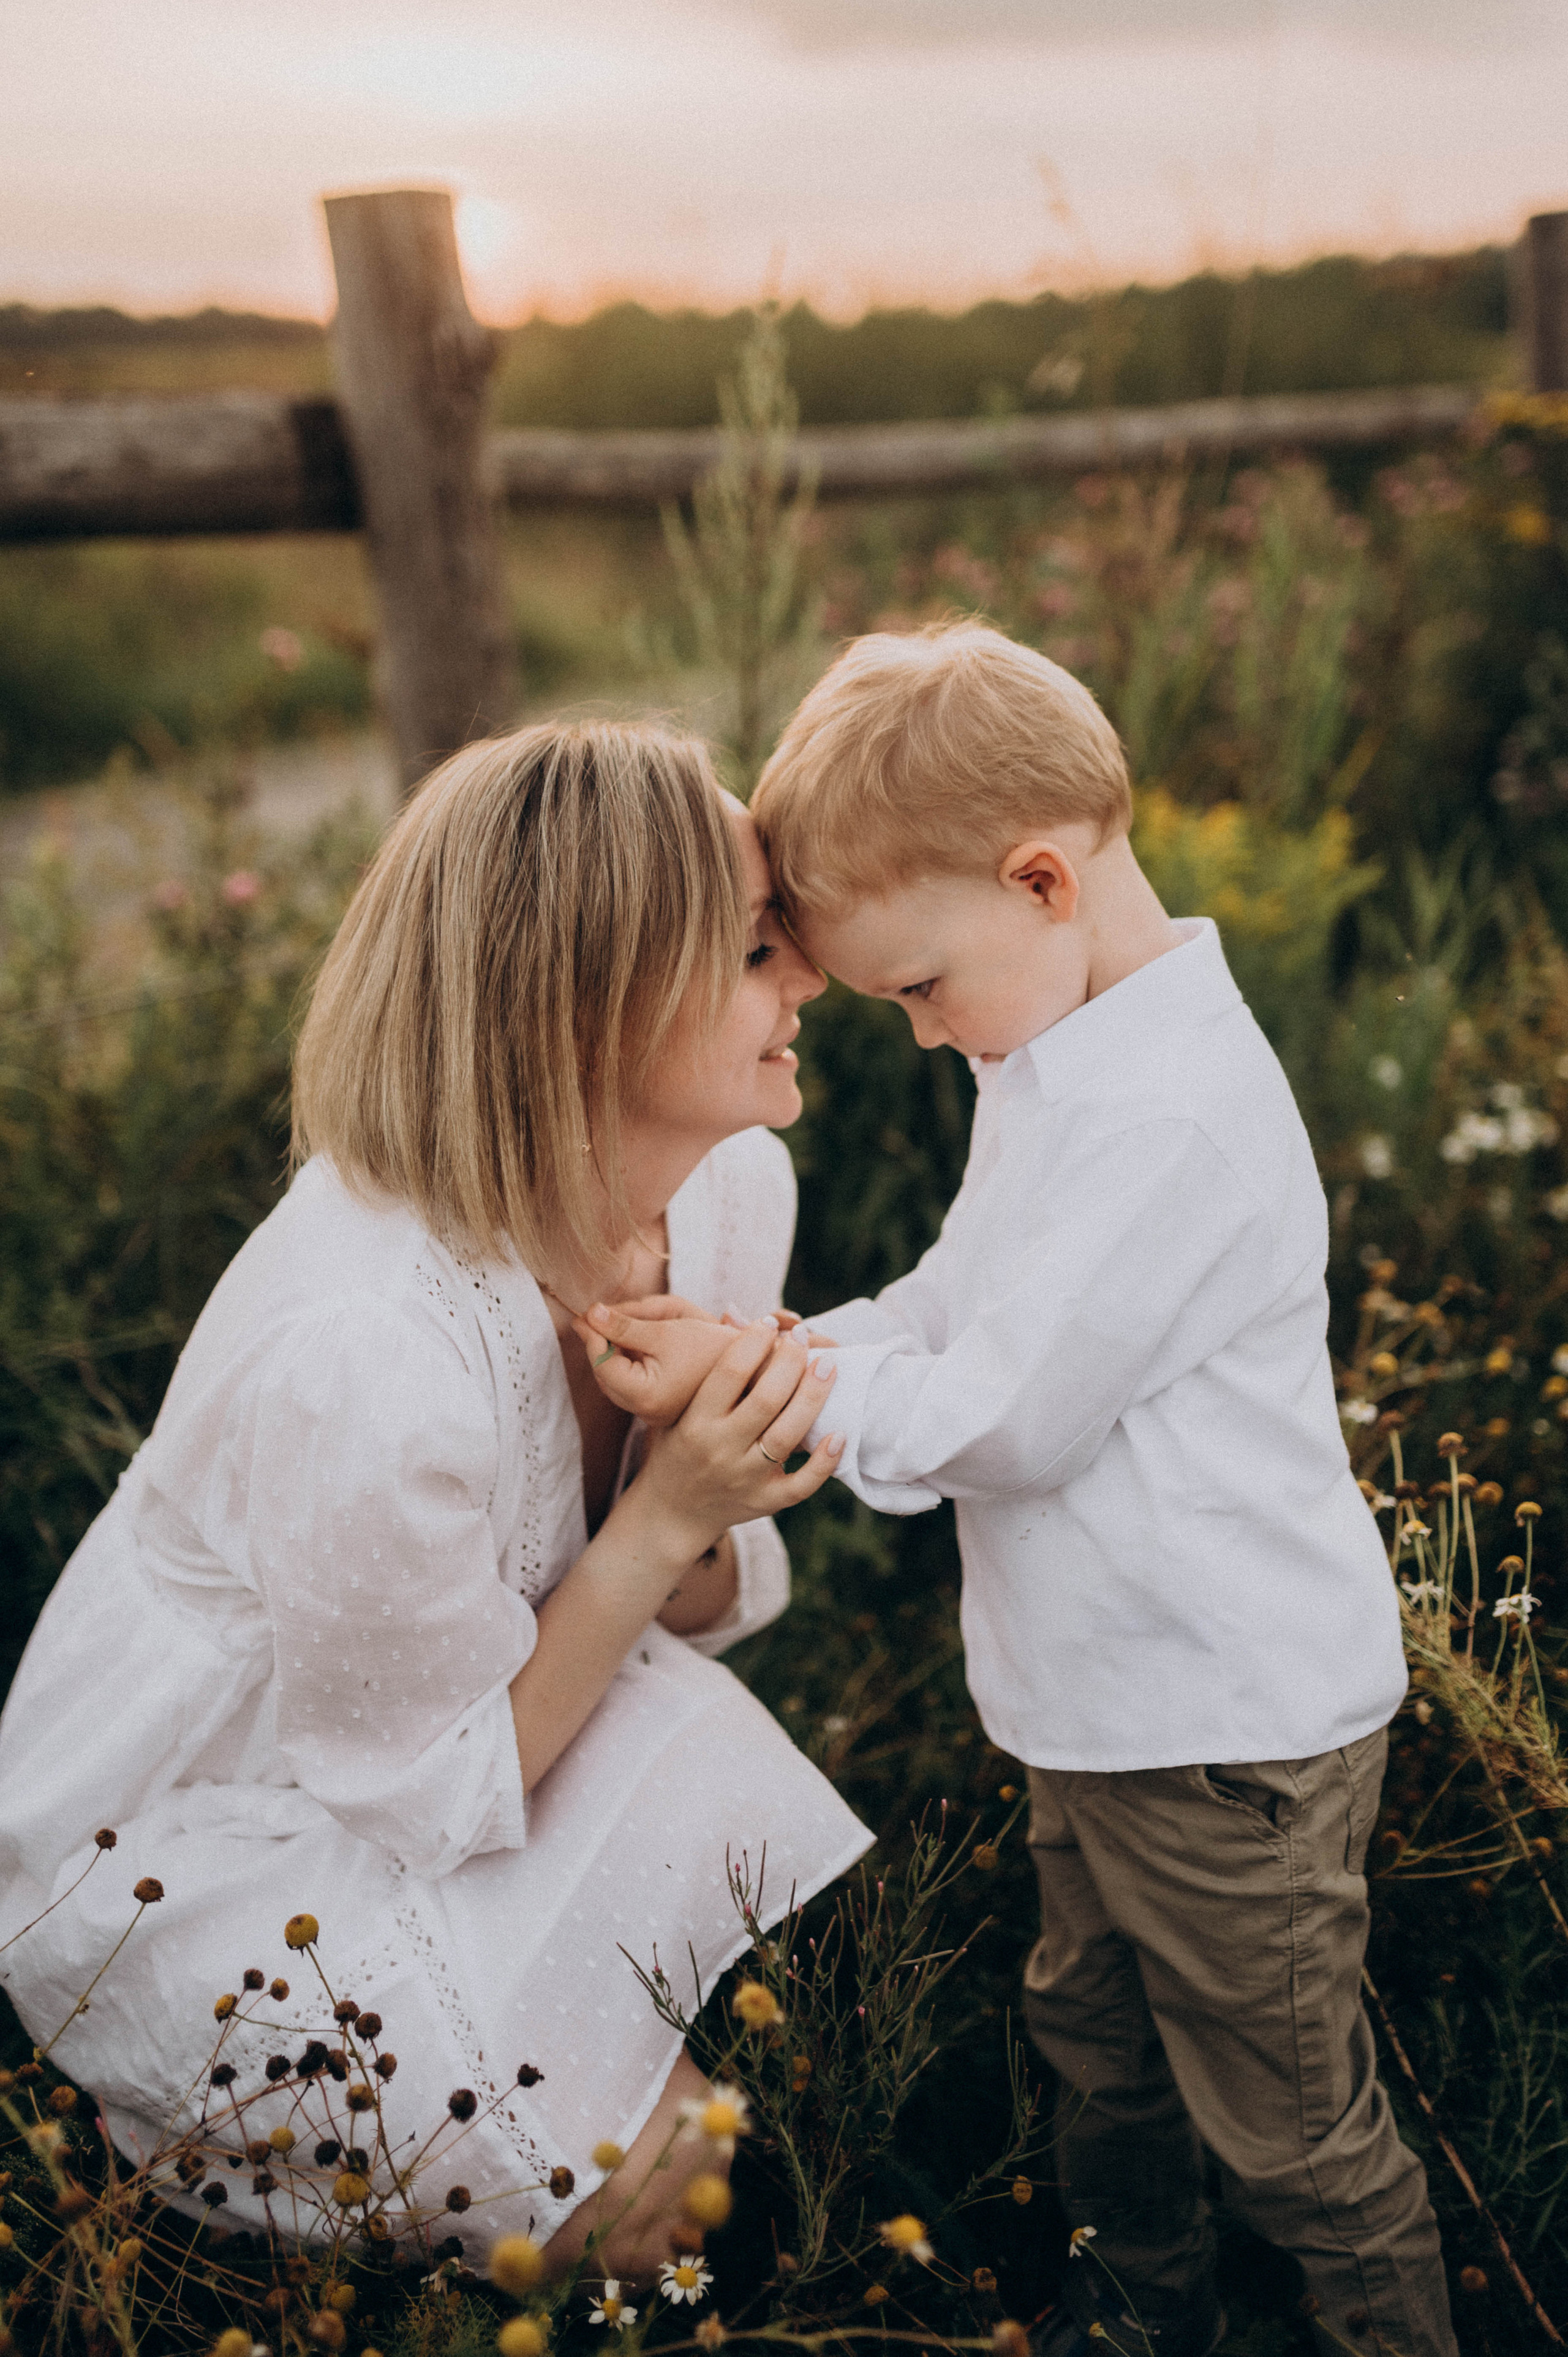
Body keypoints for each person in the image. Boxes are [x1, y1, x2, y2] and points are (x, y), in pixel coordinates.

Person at [576, 626, 1457, 2357]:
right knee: (1096, 2044)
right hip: (1102, 1712)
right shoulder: (1055, 1054)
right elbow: (956, 1305)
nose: (919, 1033)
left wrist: (779, 1394)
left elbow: (1009, 1419)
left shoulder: (1170, 1124)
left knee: (1293, 2132)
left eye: (918, 986)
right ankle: (1141, 2310)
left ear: (1040, 880)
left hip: (1224, 1734)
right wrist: (778, 1345)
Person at [0, 722, 869, 2280]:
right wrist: (669, 1509)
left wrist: (691, 1491)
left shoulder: (731, 1185)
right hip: (216, 1836)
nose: (807, 976)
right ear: (590, 1007)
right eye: (754, 948)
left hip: (479, 1717)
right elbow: (423, 1790)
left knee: (734, 2110)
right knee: (652, 2199)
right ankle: (199, 2152)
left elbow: (671, 1610)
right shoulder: (370, 1346)